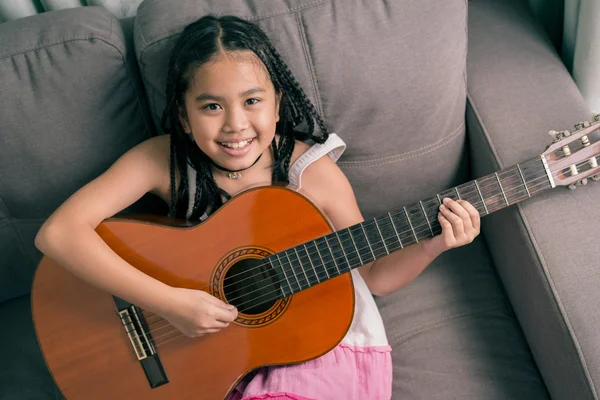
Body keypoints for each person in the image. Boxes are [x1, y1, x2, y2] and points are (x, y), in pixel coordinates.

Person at [34, 15, 480, 400]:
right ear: (185, 117)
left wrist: (431, 246)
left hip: (321, 343)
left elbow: (377, 277)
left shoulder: (311, 172)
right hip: (210, 352)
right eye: (211, 106)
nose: (235, 125)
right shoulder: (162, 160)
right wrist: (168, 303)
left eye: (252, 101)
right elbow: (57, 233)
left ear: (277, 104)